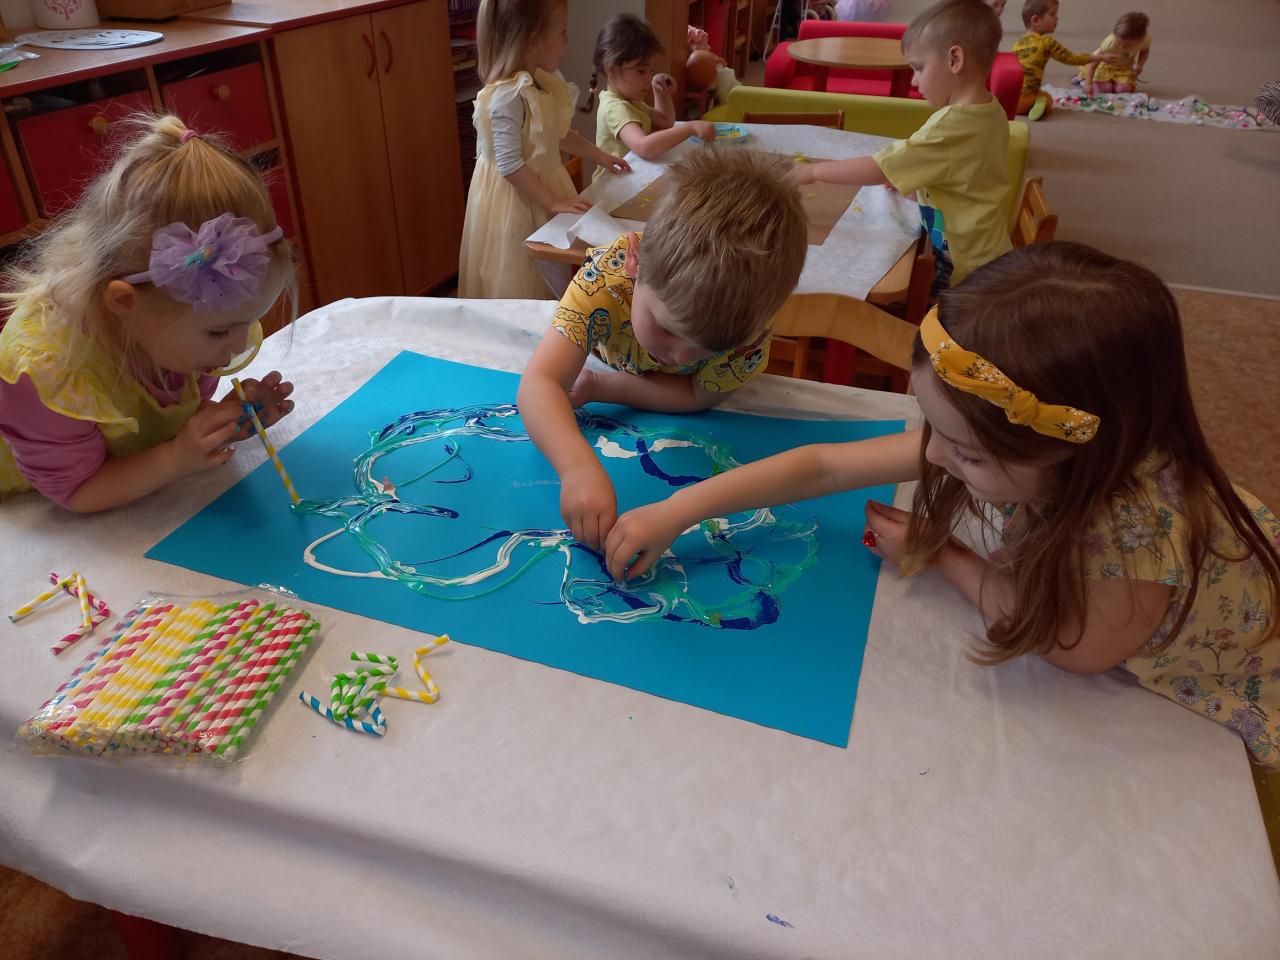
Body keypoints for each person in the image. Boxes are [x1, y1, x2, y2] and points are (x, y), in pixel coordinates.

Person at [604, 242, 1280, 768]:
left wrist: (945, 555)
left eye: (967, 454)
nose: (930, 455)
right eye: (933, 428)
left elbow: (1068, 643)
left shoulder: (1136, 538)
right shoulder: (1019, 442)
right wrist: (680, 509)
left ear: (1067, 456)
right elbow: (827, 464)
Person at [0, 116, 297, 512]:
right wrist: (175, 459)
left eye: (246, 324)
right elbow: (77, 492)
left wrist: (223, 420)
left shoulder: (170, 326)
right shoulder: (44, 373)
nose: (239, 346)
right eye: (219, 333)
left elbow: (159, 426)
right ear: (125, 304)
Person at [518, 148, 807, 548]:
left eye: (709, 348)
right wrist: (576, 468)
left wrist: (606, 387)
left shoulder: (747, 330)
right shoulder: (605, 279)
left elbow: (696, 395)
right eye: (667, 329)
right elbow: (540, 382)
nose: (681, 357)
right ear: (635, 262)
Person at [793, 0, 1011, 292]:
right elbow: (967, 175)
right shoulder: (991, 110)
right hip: (986, 244)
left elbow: (879, 166)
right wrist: (920, 183)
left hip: (967, 265)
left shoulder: (950, 127)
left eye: (919, 68)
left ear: (954, 59)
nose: (914, 81)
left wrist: (813, 172)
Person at [458, 0, 629, 298]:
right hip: (515, 202)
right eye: (562, 31)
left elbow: (556, 135)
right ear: (533, 38)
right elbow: (510, 165)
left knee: (551, 269)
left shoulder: (541, 83)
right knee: (518, 275)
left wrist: (600, 156)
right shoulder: (507, 96)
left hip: (541, 190)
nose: (568, 39)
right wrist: (553, 202)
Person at [583, 13, 715, 178]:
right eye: (641, 71)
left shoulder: (630, 101)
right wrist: (691, 127)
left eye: (650, 70)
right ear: (610, 68)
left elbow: (665, 122)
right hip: (613, 186)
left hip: (630, 180)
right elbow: (644, 146)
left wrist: (660, 93)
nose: (648, 77)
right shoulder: (615, 108)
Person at [1012, 0, 1116, 119]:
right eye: (1052, 14)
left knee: (1037, 90)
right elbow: (1071, 58)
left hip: (1009, 99)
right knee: (1047, 97)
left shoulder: (1017, 44)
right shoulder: (1046, 42)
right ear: (1036, 20)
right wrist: (1100, 57)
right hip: (1024, 101)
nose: (1057, 18)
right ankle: (1037, 107)